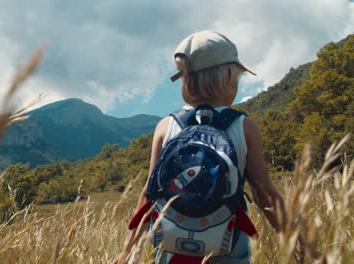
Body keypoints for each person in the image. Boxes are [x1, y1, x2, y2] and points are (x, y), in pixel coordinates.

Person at [114, 30, 288, 264]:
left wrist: (130, 252)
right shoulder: (245, 127)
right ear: (228, 77)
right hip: (228, 245)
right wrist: (300, 245)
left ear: (185, 79)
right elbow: (264, 193)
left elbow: (150, 193)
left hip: (170, 244)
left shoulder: (166, 126)